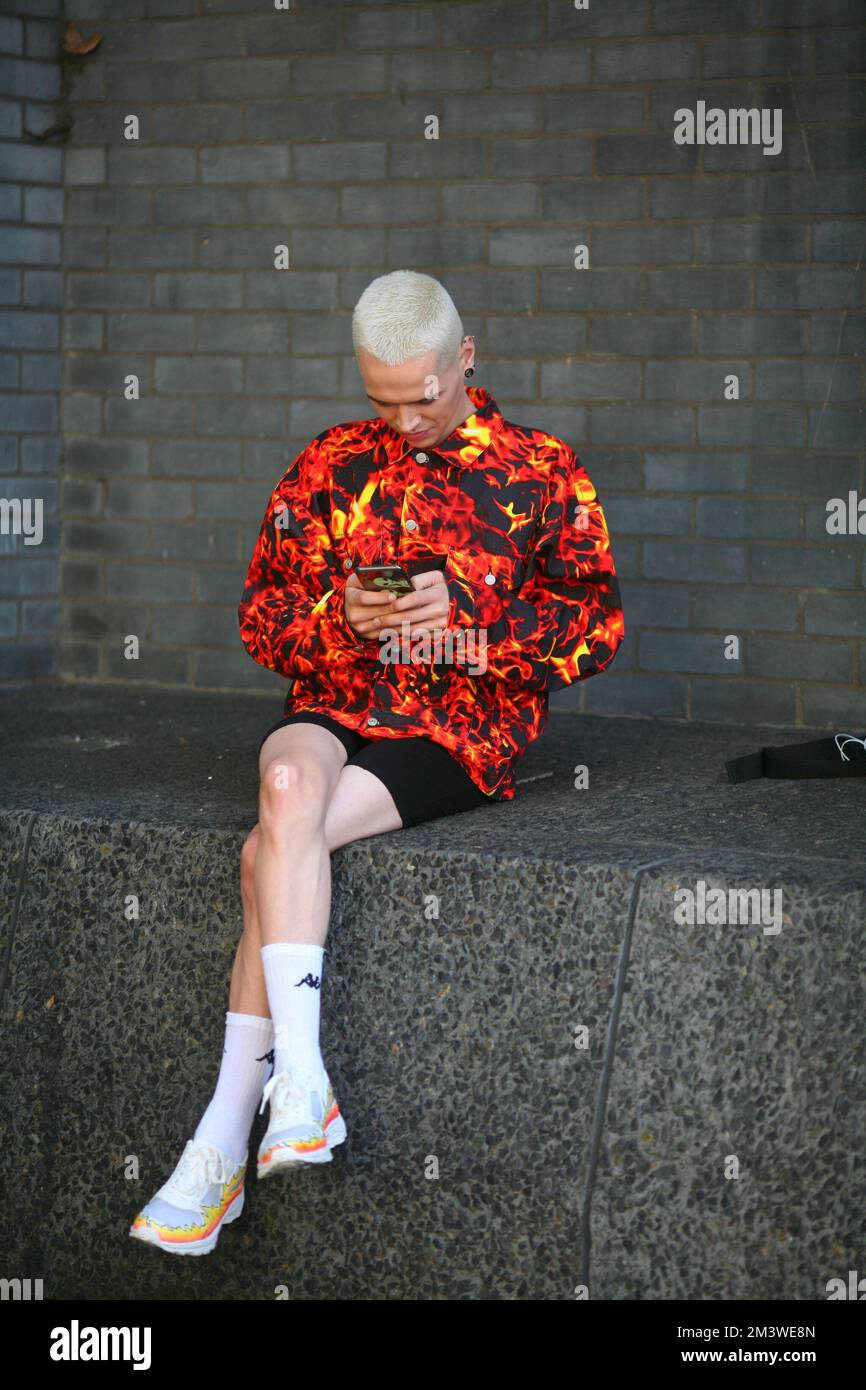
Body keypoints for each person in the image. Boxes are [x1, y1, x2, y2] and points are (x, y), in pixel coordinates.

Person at [129, 270, 625, 1256]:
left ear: (463, 356)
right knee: (283, 790)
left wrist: (474, 624)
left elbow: (594, 625)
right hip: (334, 700)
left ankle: (224, 1137)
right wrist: (339, 619)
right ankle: (303, 1086)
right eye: (379, 399)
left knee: (268, 847)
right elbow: (258, 617)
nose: (401, 420)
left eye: (422, 395)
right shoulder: (327, 463)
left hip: (456, 730)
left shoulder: (540, 469)